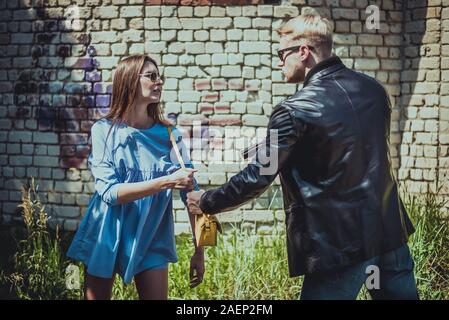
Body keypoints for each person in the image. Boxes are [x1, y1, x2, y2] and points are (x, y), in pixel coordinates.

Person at [187, 11, 419, 300]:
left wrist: (207, 201)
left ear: (304, 52)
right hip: (388, 233)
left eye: (282, 53)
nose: (278, 61)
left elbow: (258, 176)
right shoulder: (372, 89)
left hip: (338, 247)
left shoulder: (292, 110)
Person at [67, 54, 204, 300]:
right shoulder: (104, 131)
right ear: (130, 81)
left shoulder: (171, 136)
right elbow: (109, 193)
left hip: (152, 235)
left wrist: (200, 251)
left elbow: (194, 197)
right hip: (106, 233)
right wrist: (166, 181)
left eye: (159, 76)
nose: (159, 81)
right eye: (151, 76)